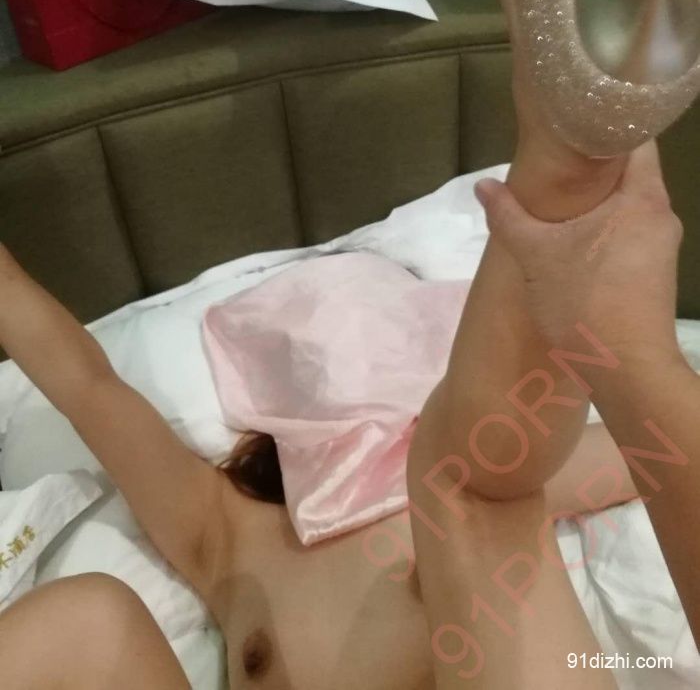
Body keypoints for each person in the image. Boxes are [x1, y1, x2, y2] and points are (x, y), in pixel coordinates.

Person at [0, 77, 695, 688]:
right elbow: (88, 385)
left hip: (468, 478)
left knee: (474, 487)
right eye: (308, 349)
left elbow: (644, 441)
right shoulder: (222, 526)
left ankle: (562, 176)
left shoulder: (476, 471)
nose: (339, 360)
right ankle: (562, 175)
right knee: (85, 620)